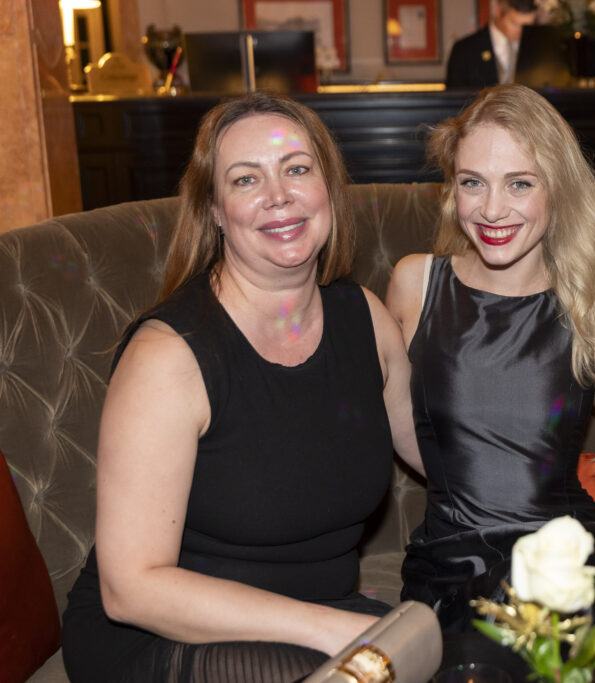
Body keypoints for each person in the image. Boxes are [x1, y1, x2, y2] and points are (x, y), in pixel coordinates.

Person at [61, 91, 419, 683]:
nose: (278, 195)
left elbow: (436, 450)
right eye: (246, 179)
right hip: (160, 636)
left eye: (297, 169)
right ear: (215, 211)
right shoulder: (170, 356)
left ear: (329, 188)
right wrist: (336, 630)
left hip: (314, 620)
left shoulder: (366, 319)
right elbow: (131, 590)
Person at [385, 83, 595, 633]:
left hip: (567, 557)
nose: (492, 209)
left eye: (520, 183)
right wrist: (468, 482)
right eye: (472, 182)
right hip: (451, 559)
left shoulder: (593, 293)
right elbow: (401, 425)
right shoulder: (414, 283)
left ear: (557, 189)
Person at [445, 0, 538, 89]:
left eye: (528, 25)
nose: (522, 31)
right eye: (514, 24)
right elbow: (455, 97)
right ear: (497, 10)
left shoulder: (537, 47)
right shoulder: (464, 50)